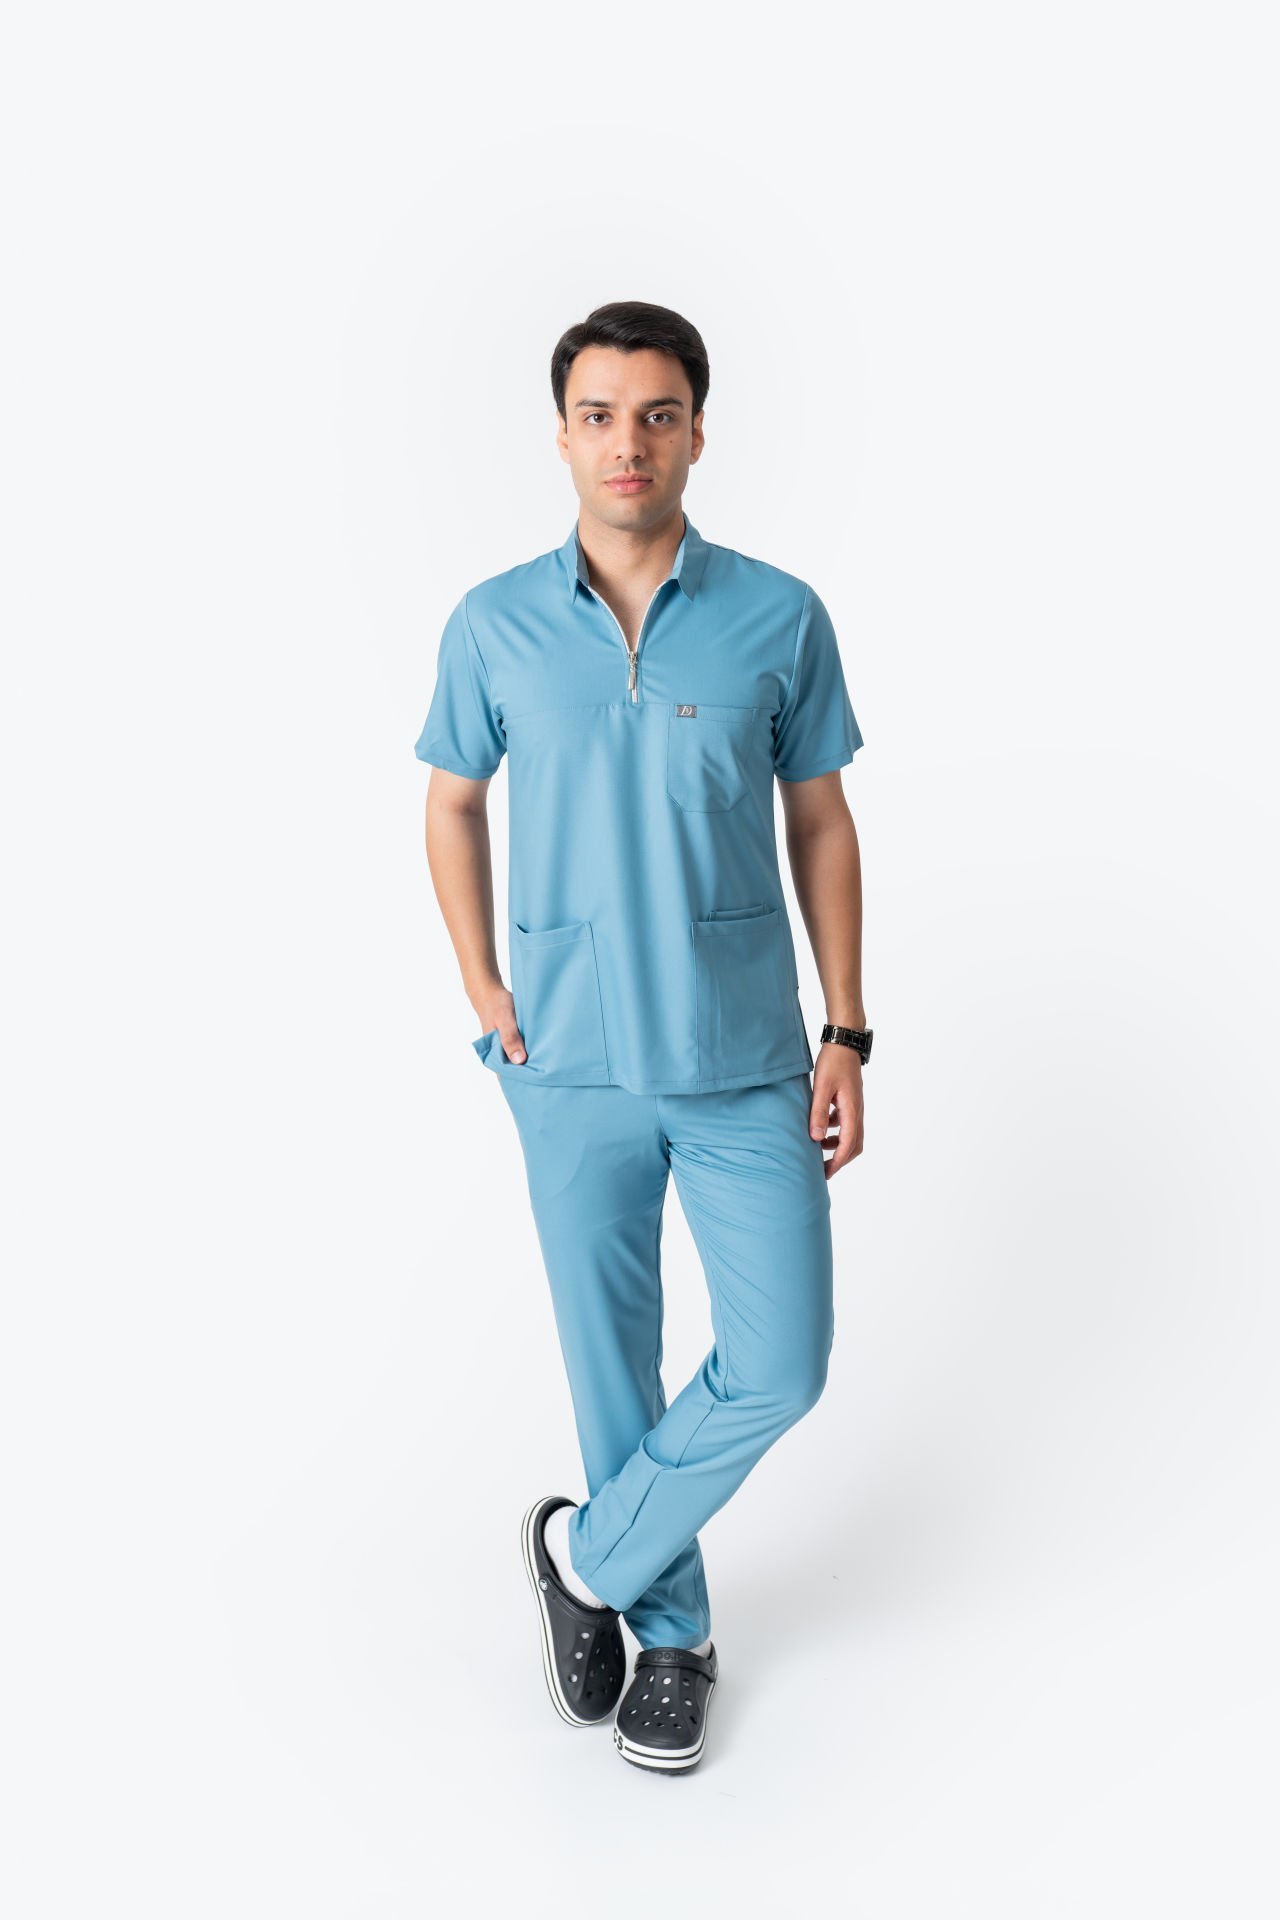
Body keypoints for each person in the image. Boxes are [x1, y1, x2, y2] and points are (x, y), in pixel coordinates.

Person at [414, 300, 871, 1773]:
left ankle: (585, 1559)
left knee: (780, 1362)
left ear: (697, 433)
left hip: (744, 1056)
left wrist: (848, 1029)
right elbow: (451, 801)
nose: (629, 443)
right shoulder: (492, 624)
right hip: (568, 1058)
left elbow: (820, 821)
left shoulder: (778, 615)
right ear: (562, 436)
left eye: (658, 414)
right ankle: (672, 1634)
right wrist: (484, 987)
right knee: (612, 1363)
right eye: (600, 416)